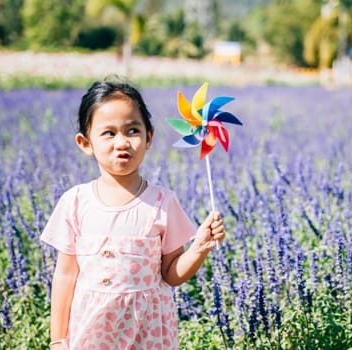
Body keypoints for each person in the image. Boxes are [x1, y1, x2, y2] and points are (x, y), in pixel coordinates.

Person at [41, 79, 225, 349]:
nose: (122, 142)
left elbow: (171, 274)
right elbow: (65, 276)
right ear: (85, 142)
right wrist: (58, 339)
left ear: (149, 137)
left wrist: (199, 248)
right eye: (108, 133)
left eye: (132, 130)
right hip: (91, 334)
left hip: (148, 334)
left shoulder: (163, 202)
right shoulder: (75, 202)